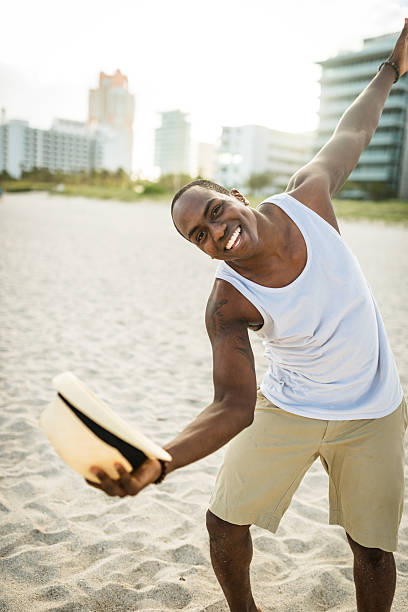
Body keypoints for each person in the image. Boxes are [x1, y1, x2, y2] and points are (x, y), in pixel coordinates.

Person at [86, 20, 408, 612]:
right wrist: (157, 464)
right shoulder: (228, 304)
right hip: (287, 406)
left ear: (234, 193)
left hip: (374, 410)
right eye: (199, 235)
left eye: (214, 211)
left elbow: (355, 129)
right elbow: (232, 406)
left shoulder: (308, 196)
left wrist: (391, 68)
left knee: (372, 551)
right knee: (224, 524)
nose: (216, 232)